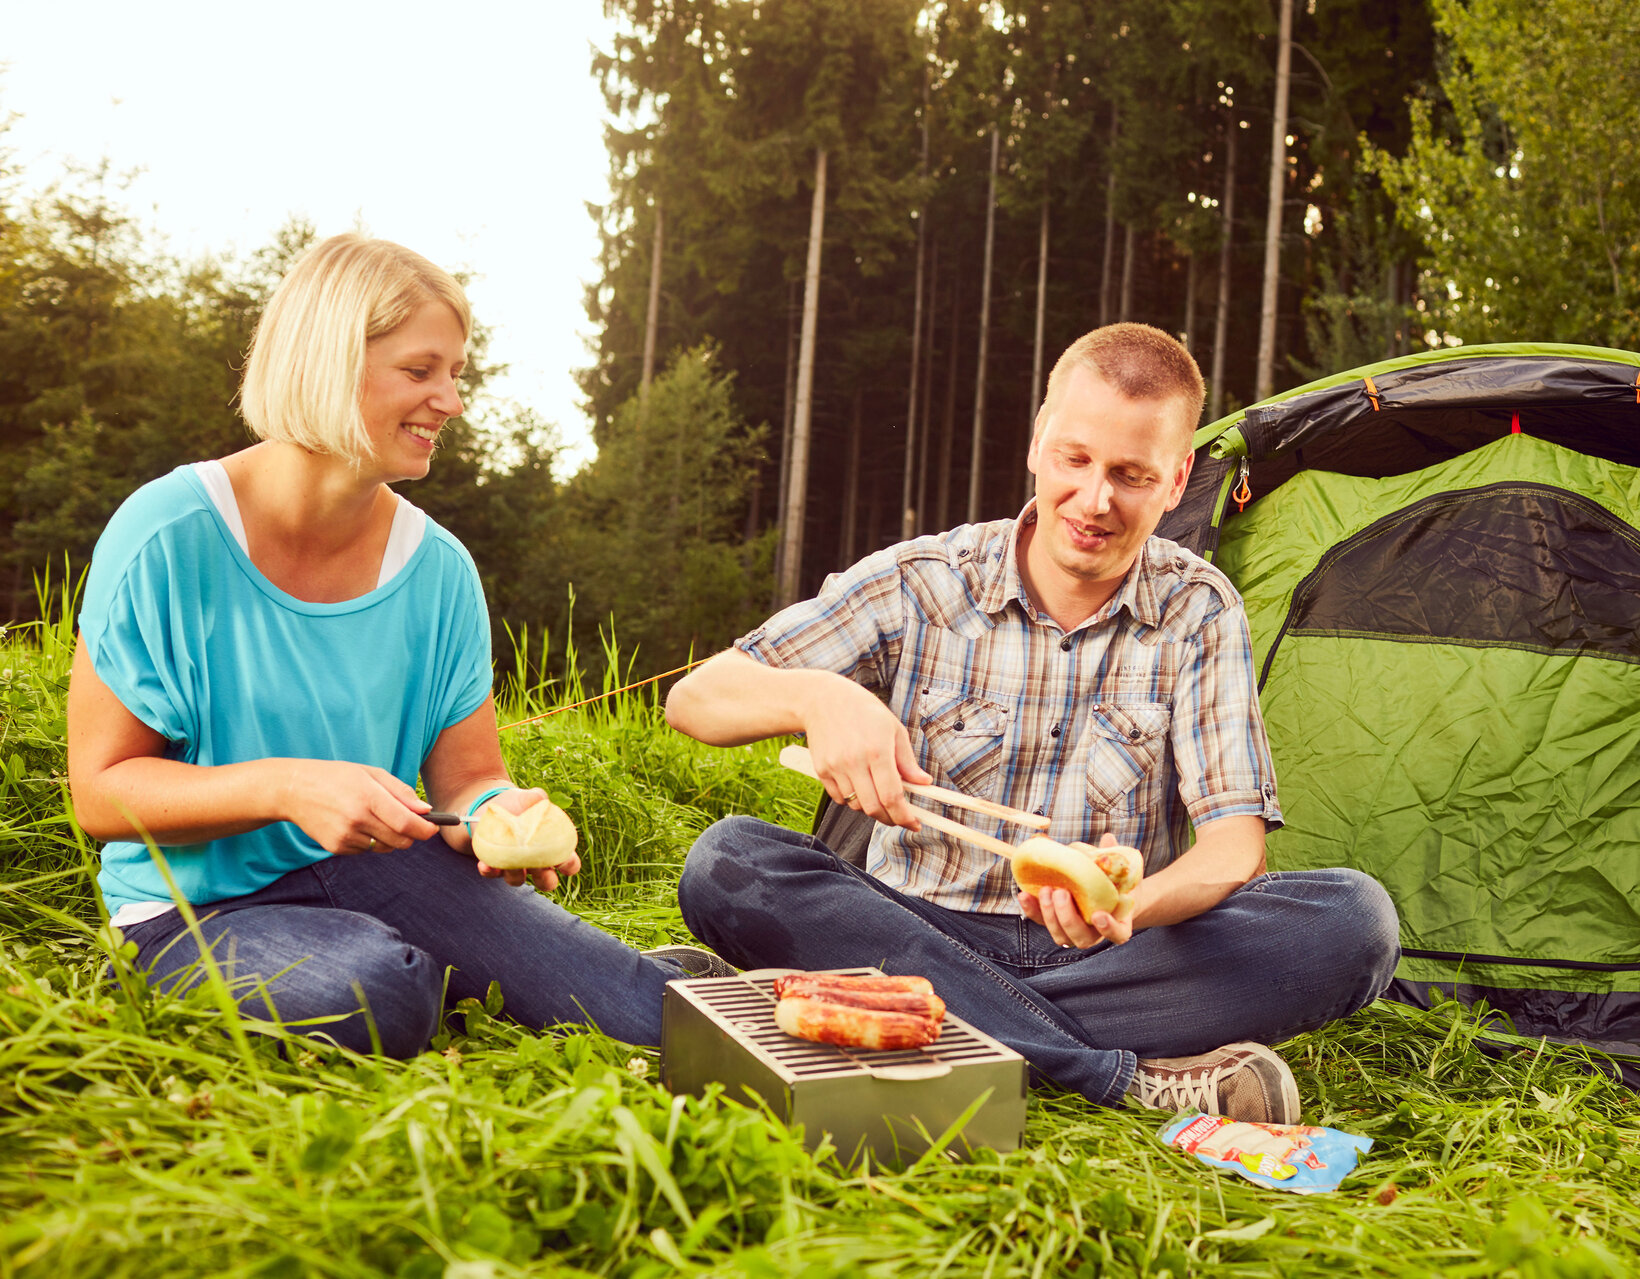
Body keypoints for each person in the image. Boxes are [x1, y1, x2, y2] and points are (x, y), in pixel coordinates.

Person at [666, 323, 1399, 1122]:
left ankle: (878, 1004)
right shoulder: (925, 580)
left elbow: (1234, 848)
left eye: (1130, 474)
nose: (1095, 500)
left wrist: (1134, 904)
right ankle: (1122, 1075)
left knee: (1355, 921)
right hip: (911, 923)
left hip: (1112, 952)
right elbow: (697, 697)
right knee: (728, 859)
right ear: (1038, 440)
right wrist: (815, 699)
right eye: (1075, 459)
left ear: (1178, 477)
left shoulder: (1199, 610)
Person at [67, 233, 726, 1058]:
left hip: (384, 875)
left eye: (456, 373)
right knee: (375, 993)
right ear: (327, 362)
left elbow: (471, 780)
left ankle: (617, 976)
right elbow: (103, 793)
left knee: (648, 1018)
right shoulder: (169, 533)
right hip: (192, 910)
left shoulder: (439, 570)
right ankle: (433, 971)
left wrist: (499, 815)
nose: (450, 400)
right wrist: (289, 787)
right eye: (421, 372)